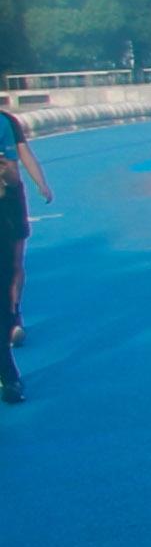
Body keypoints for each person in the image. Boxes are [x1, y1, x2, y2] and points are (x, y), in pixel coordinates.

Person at [0, 86, 44, 404]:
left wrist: (38, 182)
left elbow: (15, 168)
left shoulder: (6, 122)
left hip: (7, 210)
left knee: (12, 269)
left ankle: (8, 374)